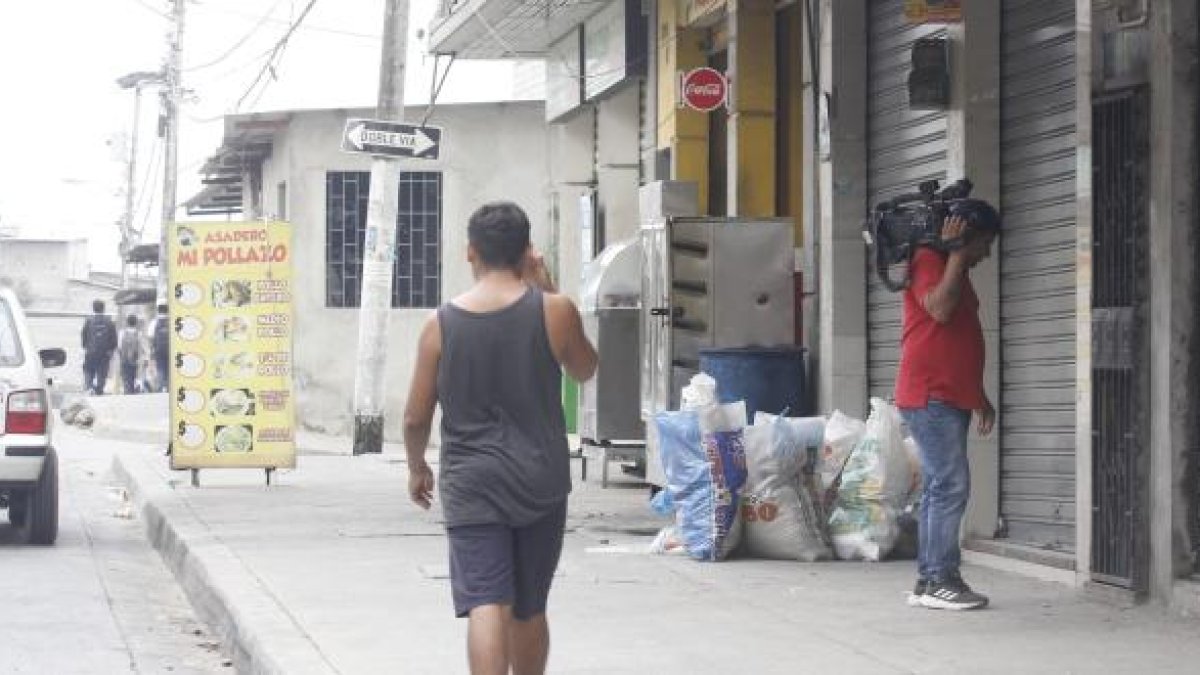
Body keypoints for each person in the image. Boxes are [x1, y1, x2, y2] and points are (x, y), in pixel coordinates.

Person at [403, 202, 598, 675]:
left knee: (486, 600)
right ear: (527, 253)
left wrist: (417, 467)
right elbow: (585, 369)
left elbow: (415, 416)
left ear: (471, 251)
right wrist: (547, 285)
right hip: (541, 478)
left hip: (471, 481)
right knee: (530, 604)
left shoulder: (440, 325)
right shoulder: (554, 310)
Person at [895, 199, 1000, 611]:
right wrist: (956, 253)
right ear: (964, 236)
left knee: (942, 486)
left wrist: (979, 396)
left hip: (948, 395)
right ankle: (941, 579)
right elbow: (939, 309)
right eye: (983, 244)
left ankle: (929, 580)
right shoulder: (927, 260)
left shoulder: (954, 267)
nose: (986, 254)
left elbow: (956, 339)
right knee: (950, 484)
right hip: (929, 395)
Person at [80, 299, 118, 396]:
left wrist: (85, 346)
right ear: (103, 308)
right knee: (102, 372)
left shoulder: (88, 321)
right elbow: (114, 338)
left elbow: (83, 335)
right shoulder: (109, 321)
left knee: (88, 370)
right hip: (104, 353)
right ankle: (99, 390)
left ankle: (89, 388)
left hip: (91, 352)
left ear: (93, 308)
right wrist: (111, 350)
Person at [117, 314, 146, 394]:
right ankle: (132, 393)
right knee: (134, 377)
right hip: (135, 360)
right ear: (136, 323)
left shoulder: (122, 333)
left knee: (126, 378)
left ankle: (127, 393)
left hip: (124, 359)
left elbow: (119, 347)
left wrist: (121, 356)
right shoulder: (139, 334)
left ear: (127, 322)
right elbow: (141, 347)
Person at [151, 304, 170, 392]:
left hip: (158, 349)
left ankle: (160, 387)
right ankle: (169, 387)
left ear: (158, 311)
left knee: (160, 368)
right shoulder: (173, 321)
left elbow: (150, 336)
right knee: (169, 367)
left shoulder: (154, 322)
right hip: (170, 349)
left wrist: (152, 349)